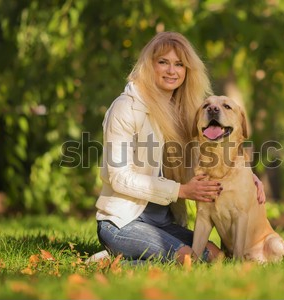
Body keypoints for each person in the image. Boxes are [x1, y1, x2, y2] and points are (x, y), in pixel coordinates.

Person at [89, 31, 265, 265]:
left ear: (187, 70)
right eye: (163, 62)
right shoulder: (125, 108)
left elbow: (209, 157)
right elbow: (119, 177)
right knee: (192, 260)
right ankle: (113, 261)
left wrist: (246, 176)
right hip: (122, 222)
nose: (172, 71)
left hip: (162, 222)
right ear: (149, 66)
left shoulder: (186, 111)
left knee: (216, 257)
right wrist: (181, 191)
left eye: (179, 64)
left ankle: (126, 256)